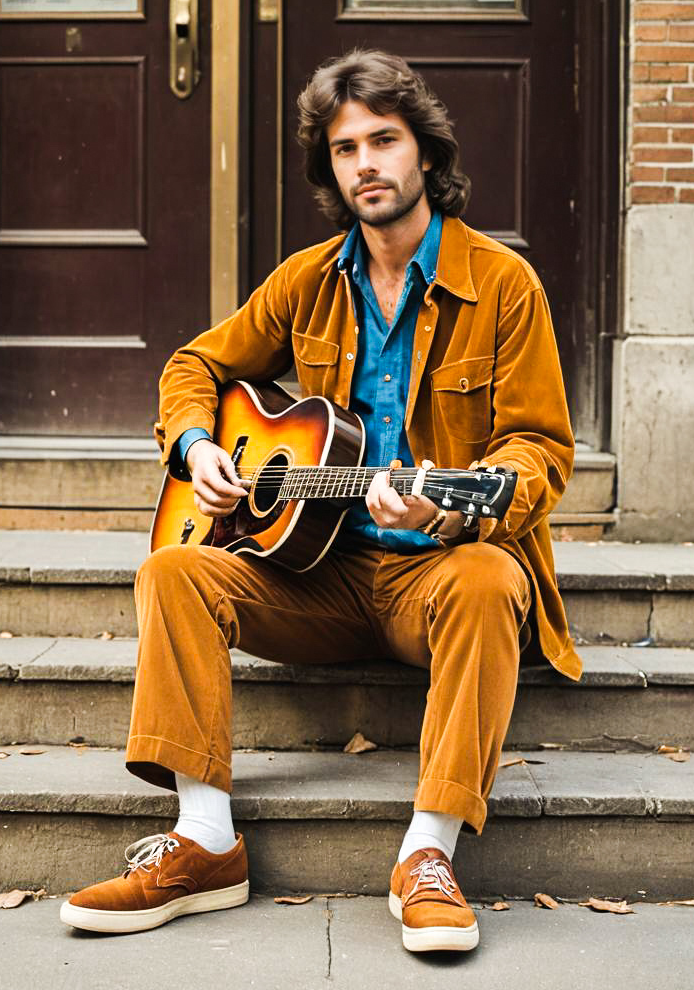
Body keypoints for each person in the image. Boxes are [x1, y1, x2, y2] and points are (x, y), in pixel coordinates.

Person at [60, 48, 581, 953]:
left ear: (426, 152)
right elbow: (197, 365)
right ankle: (206, 842)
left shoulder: (503, 285)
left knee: (493, 581)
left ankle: (428, 855)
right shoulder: (309, 280)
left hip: (437, 578)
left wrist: (458, 507)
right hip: (321, 578)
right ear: (330, 169)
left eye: (384, 140)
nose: (366, 164)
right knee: (177, 569)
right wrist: (198, 446)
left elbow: (539, 450)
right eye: (346, 150)